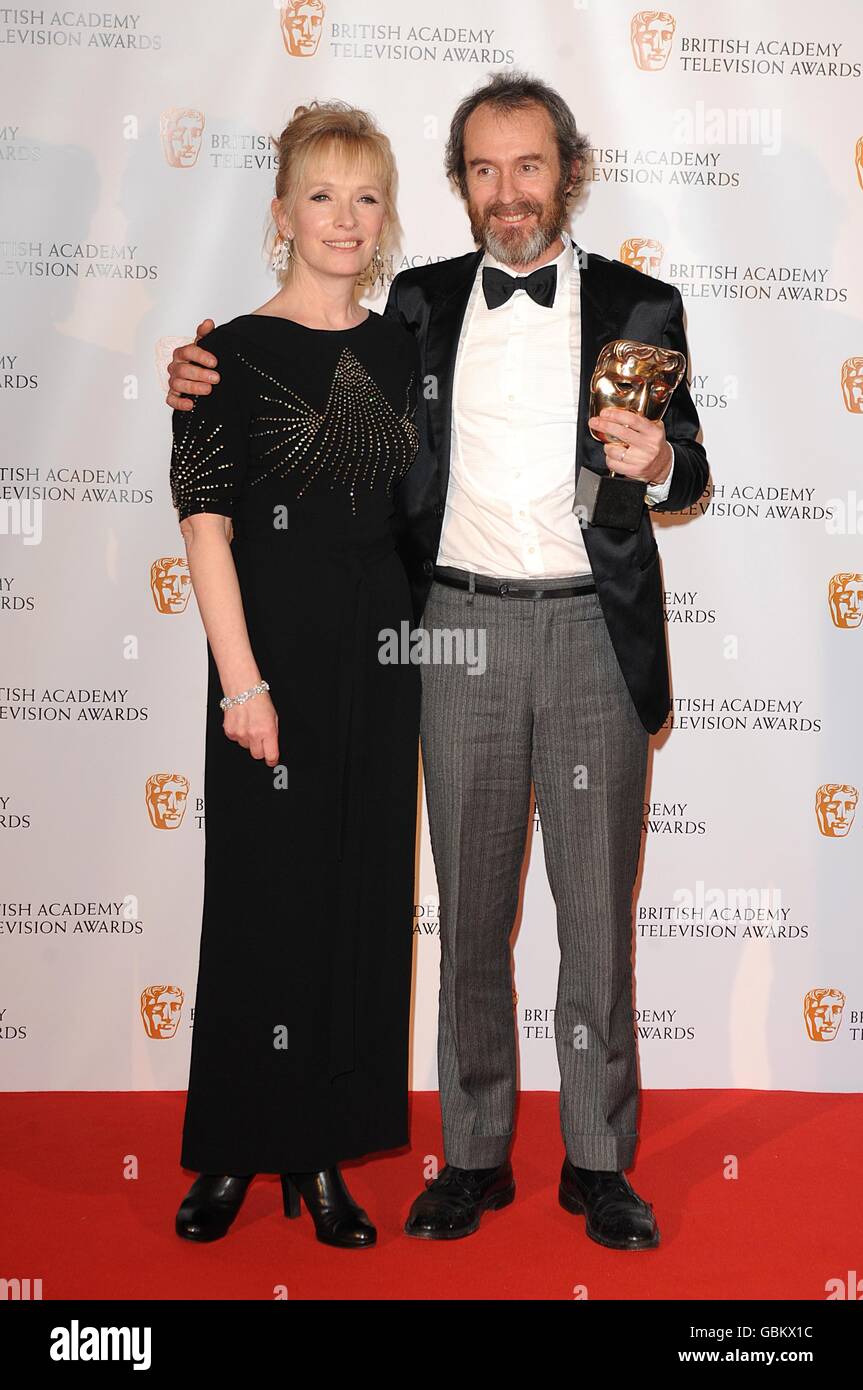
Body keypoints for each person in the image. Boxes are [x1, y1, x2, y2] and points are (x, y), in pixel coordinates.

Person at [167, 71, 710, 1252]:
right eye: (481, 169)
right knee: (467, 920)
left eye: (528, 166)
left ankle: (597, 1161)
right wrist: (195, 370)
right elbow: (289, 362)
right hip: (449, 634)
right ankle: (469, 1154)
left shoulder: (643, 303)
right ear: (459, 185)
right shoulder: (411, 304)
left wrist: (658, 462)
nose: (506, 192)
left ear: (566, 169)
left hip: (588, 633)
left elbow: (693, 472)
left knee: (593, 918)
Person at [167, 101, 421, 1248]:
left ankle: (319, 1155)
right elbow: (206, 526)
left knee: (354, 910)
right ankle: (231, 1147)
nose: (344, 217)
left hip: (382, 665)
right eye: (321, 194)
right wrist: (241, 683)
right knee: (262, 909)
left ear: (386, 215)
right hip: (266, 665)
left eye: (365, 195)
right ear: (280, 213)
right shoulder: (224, 355)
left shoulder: (405, 350)